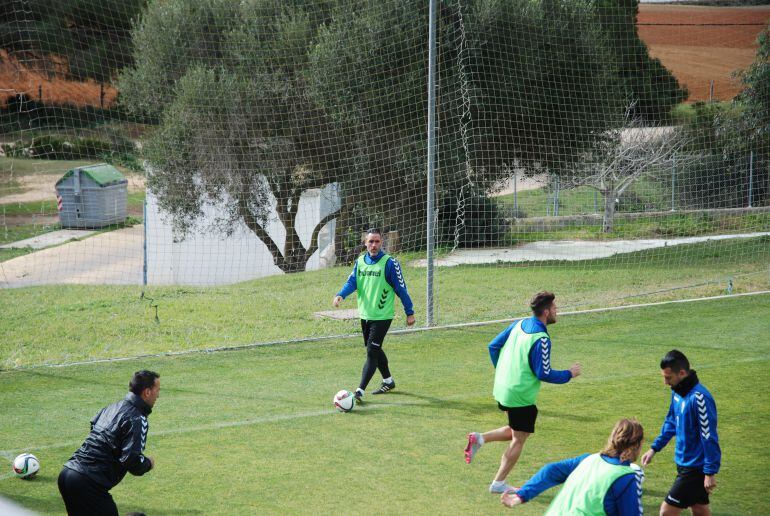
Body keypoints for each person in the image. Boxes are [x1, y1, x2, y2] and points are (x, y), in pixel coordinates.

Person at [464, 291, 582, 494]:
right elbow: (543, 373)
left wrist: (503, 372)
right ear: (546, 312)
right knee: (519, 438)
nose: (556, 311)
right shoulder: (541, 338)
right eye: (554, 308)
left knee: (518, 429)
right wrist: (568, 374)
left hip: (503, 387)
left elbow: (493, 346)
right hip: (520, 395)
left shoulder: (519, 324)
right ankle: (498, 483)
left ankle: (479, 439)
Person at [58, 370, 160, 516]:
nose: (159, 395)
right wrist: (148, 463)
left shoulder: (112, 407)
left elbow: (94, 427)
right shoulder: (137, 418)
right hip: (88, 484)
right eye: (158, 390)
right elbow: (131, 461)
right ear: (147, 392)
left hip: (68, 474)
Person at [333, 228, 415, 403]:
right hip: (365, 314)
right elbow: (352, 281)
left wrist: (410, 312)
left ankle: (359, 391)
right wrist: (341, 294)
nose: (374, 245)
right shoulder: (360, 261)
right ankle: (388, 381)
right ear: (365, 243)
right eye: (371, 241)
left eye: (377, 241)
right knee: (375, 349)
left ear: (382, 243)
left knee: (371, 351)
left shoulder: (390, 263)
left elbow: (401, 288)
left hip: (382, 316)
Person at [501, 418, 646, 515]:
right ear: (638, 445)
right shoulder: (626, 477)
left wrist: (521, 495)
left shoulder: (588, 459)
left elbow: (550, 470)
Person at [641, 350, 720, 516]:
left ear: (682, 373)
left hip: (694, 468)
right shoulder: (677, 392)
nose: (665, 382)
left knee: (666, 511)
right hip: (683, 463)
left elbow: (709, 437)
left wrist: (710, 472)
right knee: (699, 508)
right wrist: (654, 448)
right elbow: (671, 422)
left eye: (668, 378)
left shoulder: (699, 399)